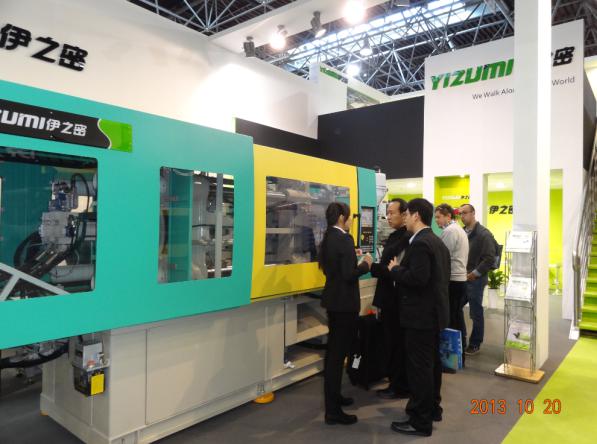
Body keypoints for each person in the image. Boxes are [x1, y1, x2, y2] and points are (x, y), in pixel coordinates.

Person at [387, 198, 450, 437]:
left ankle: (420, 421)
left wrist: (396, 270)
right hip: (433, 315)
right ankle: (432, 409)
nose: (404, 219)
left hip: (420, 318)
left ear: (415, 216)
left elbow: (418, 278)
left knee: (419, 370)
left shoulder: (421, 244)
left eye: (406, 214)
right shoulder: (436, 241)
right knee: (431, 366)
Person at [318, 201, 373, 425]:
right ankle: (333, 411)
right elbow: (349, 274)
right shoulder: (344, 239)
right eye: (349, 216)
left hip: (333, 302)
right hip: (344, 304)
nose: (351, 220)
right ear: (341, 217)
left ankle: (335, 397)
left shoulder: (328, 237)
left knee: (334, 353)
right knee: (337, 356)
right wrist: (366, 264)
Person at [370, 198, 410, 399]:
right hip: (389, 298)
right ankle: (395, 379)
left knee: (395, 342)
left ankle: (398, 385)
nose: (388, 216)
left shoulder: (406, 239)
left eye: (392, 212)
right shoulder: (396, 236)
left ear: (405, 215)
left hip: (396, 300)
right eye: (388, 212)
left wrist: (371, 266)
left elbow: (391, 268)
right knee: (391, 341)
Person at [458, 204, 496, 356]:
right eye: (460, 213)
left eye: (465, 213)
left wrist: (475, 273)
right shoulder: (462, 232)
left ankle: (475, 343)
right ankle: (460, 339)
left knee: (475, 312)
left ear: (473, 213)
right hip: (462, 277)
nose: (462, 216)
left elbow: (490, 258)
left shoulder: (483, 234)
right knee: (455, 308)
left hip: (476, 279)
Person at [434, 203, 469, 368]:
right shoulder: (458, 229)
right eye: (435, 217)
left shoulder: (450, 231)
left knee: (451, 319)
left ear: (448, 216)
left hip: (453, 280)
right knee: (457, 317)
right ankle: (458, 357)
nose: (437, 220)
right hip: (459, 279)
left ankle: (453, 359)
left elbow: (442, 256)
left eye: (439, 217)